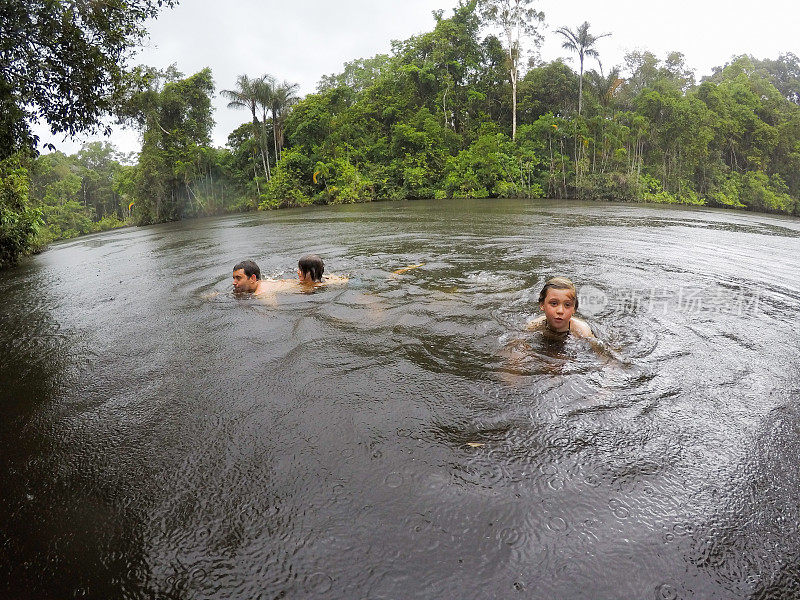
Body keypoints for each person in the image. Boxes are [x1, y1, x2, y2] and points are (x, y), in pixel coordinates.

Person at [526, 276, 594, 338]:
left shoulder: (583, 332)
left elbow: (599, 351)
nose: (560, 311)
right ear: (542, 305)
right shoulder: (534, 326)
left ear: (574, 308)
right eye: (554, 303)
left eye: (567, 305)